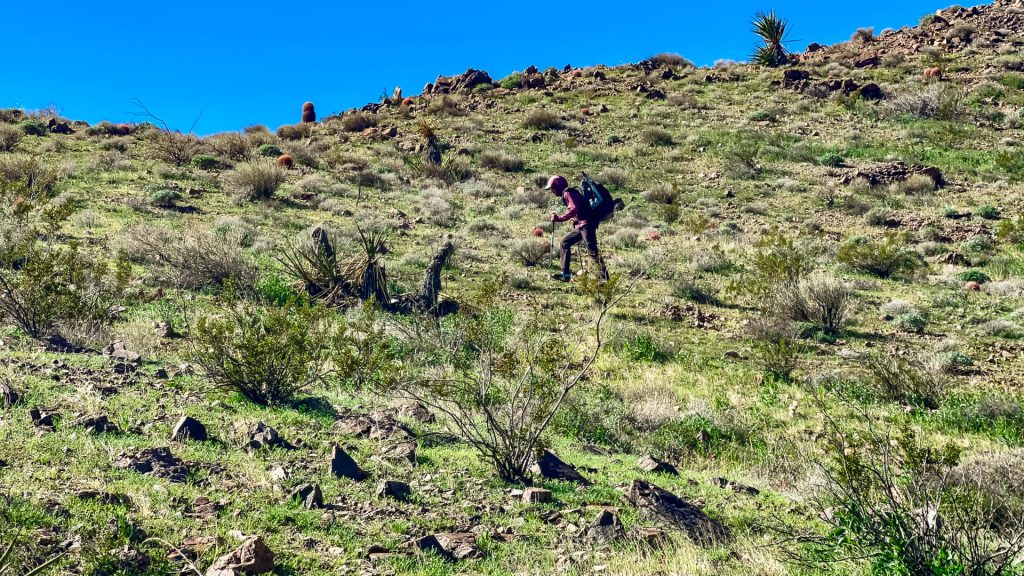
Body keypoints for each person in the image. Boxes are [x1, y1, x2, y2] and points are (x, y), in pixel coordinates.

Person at [546, 175, 609, 282]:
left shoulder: (568, 193)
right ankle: (565, 274)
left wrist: (559, 218)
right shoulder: (569, 193)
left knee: (592, 251)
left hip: (586, 225)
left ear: (557, 186)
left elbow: (574, 209)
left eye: (552, 188)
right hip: (582, 225)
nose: (551, 191)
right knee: (565, 242)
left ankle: (605, 279)